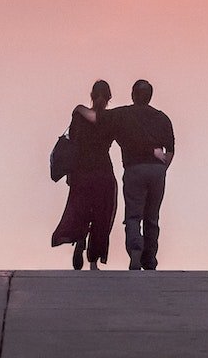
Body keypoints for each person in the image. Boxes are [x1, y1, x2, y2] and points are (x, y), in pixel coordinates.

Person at [76, 79, 173, 270]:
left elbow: (97, 118)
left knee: (134, 215)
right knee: (152, 217)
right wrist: (162, 168)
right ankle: (150, 259)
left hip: (134, 169)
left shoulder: (123, 115)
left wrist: (80, 109)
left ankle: (136, 253)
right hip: (156, 169)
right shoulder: (162, 118)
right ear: (150, 96)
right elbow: (170, 149)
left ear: (133, 95)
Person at [51, 80, 118, 270]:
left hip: (82, 171)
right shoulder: (111, 119)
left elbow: (73, 144)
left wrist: (70, 174)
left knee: (80, 209)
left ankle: (80, 239)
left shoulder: (79, 116)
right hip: (103, 171)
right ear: (109, 98)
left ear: (91, 95)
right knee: (101, 214)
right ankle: (94, 261)